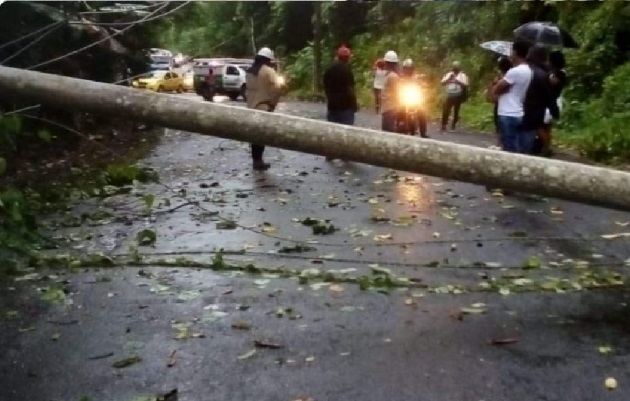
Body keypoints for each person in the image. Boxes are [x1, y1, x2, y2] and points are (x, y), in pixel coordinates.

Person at [491, 40, 535, 154]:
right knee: (516, 147)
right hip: (518, 111)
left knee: (509, 150)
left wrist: (498, 82)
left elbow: (497, 89)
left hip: (508, 113)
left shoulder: (514, 72)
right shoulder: (528, 70)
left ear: (515, 52)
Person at [245, 47, 285, 171]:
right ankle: (259, 161)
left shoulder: (249, 72)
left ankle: (255, 160)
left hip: (250, 107)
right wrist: (272, 104)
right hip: (263, 107)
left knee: (253, 137)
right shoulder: (268, 71)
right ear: (268, 59)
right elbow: (277, 88)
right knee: (261, 136)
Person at [522, 45, 560, 156]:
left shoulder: (524, 69)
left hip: (521, 108)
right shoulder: (543, 74)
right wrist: (554, 110)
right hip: (535, 110)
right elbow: (549, 95)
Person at [322, 45, 358, 161]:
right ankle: (345, 154)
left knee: (332, 130)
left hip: (332, 105)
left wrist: (329, 97)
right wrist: (354, 102)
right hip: (345, 106)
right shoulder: (347, 71)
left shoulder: (330, 69)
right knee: (346, 131)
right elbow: (350, 88)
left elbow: (325, 85)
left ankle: (330, 153)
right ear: (347, 58)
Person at [539, 50, 567, 157]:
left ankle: (546, 147)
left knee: (539, 125)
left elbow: (552, 82)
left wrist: (547, 76)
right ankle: (546, 147)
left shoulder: (560, 74)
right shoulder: (554, 72)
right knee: (547, 127)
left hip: (552, 102)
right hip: (551, 102)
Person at [486, 56, 512, 147]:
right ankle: (500, 144)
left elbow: (492, 96)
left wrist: (494, 83)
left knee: (500, 126)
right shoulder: (512, 76)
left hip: (502, 105)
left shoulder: (503, 80)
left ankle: (500, 144)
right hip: (509, 106)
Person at [398, 58, 428, 138]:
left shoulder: (416, 77)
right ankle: (398, 125)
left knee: (422, 112)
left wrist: (424, 87)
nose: (408, 70)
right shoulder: (400, 78)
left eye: (410, 68)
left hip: (414, 97)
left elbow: (422, 84)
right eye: (406, 68)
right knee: (397, 110)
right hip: (402, 98)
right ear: (404, 69)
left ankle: (423, 133)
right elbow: (396, 87)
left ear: (412, 69)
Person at [441, 61, 469, 132]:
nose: (455, 69)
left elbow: (465, 85)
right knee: (446, 110)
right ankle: (443, 124)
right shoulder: (449, 74)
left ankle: (453, 125)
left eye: (456, 68)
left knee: (456, 110)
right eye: (454, 67)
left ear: (459, 68)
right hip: (449, 94)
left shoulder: (462, 75)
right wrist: (448, 79)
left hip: (458, 95)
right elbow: (442, 83)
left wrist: (457, 81)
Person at [380, 50, 400, 133]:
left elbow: (397, 92)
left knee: (388, 132)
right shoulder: (388, 74)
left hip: (390, 108)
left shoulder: (392, 76)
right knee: (386, 131)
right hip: (387, 107)